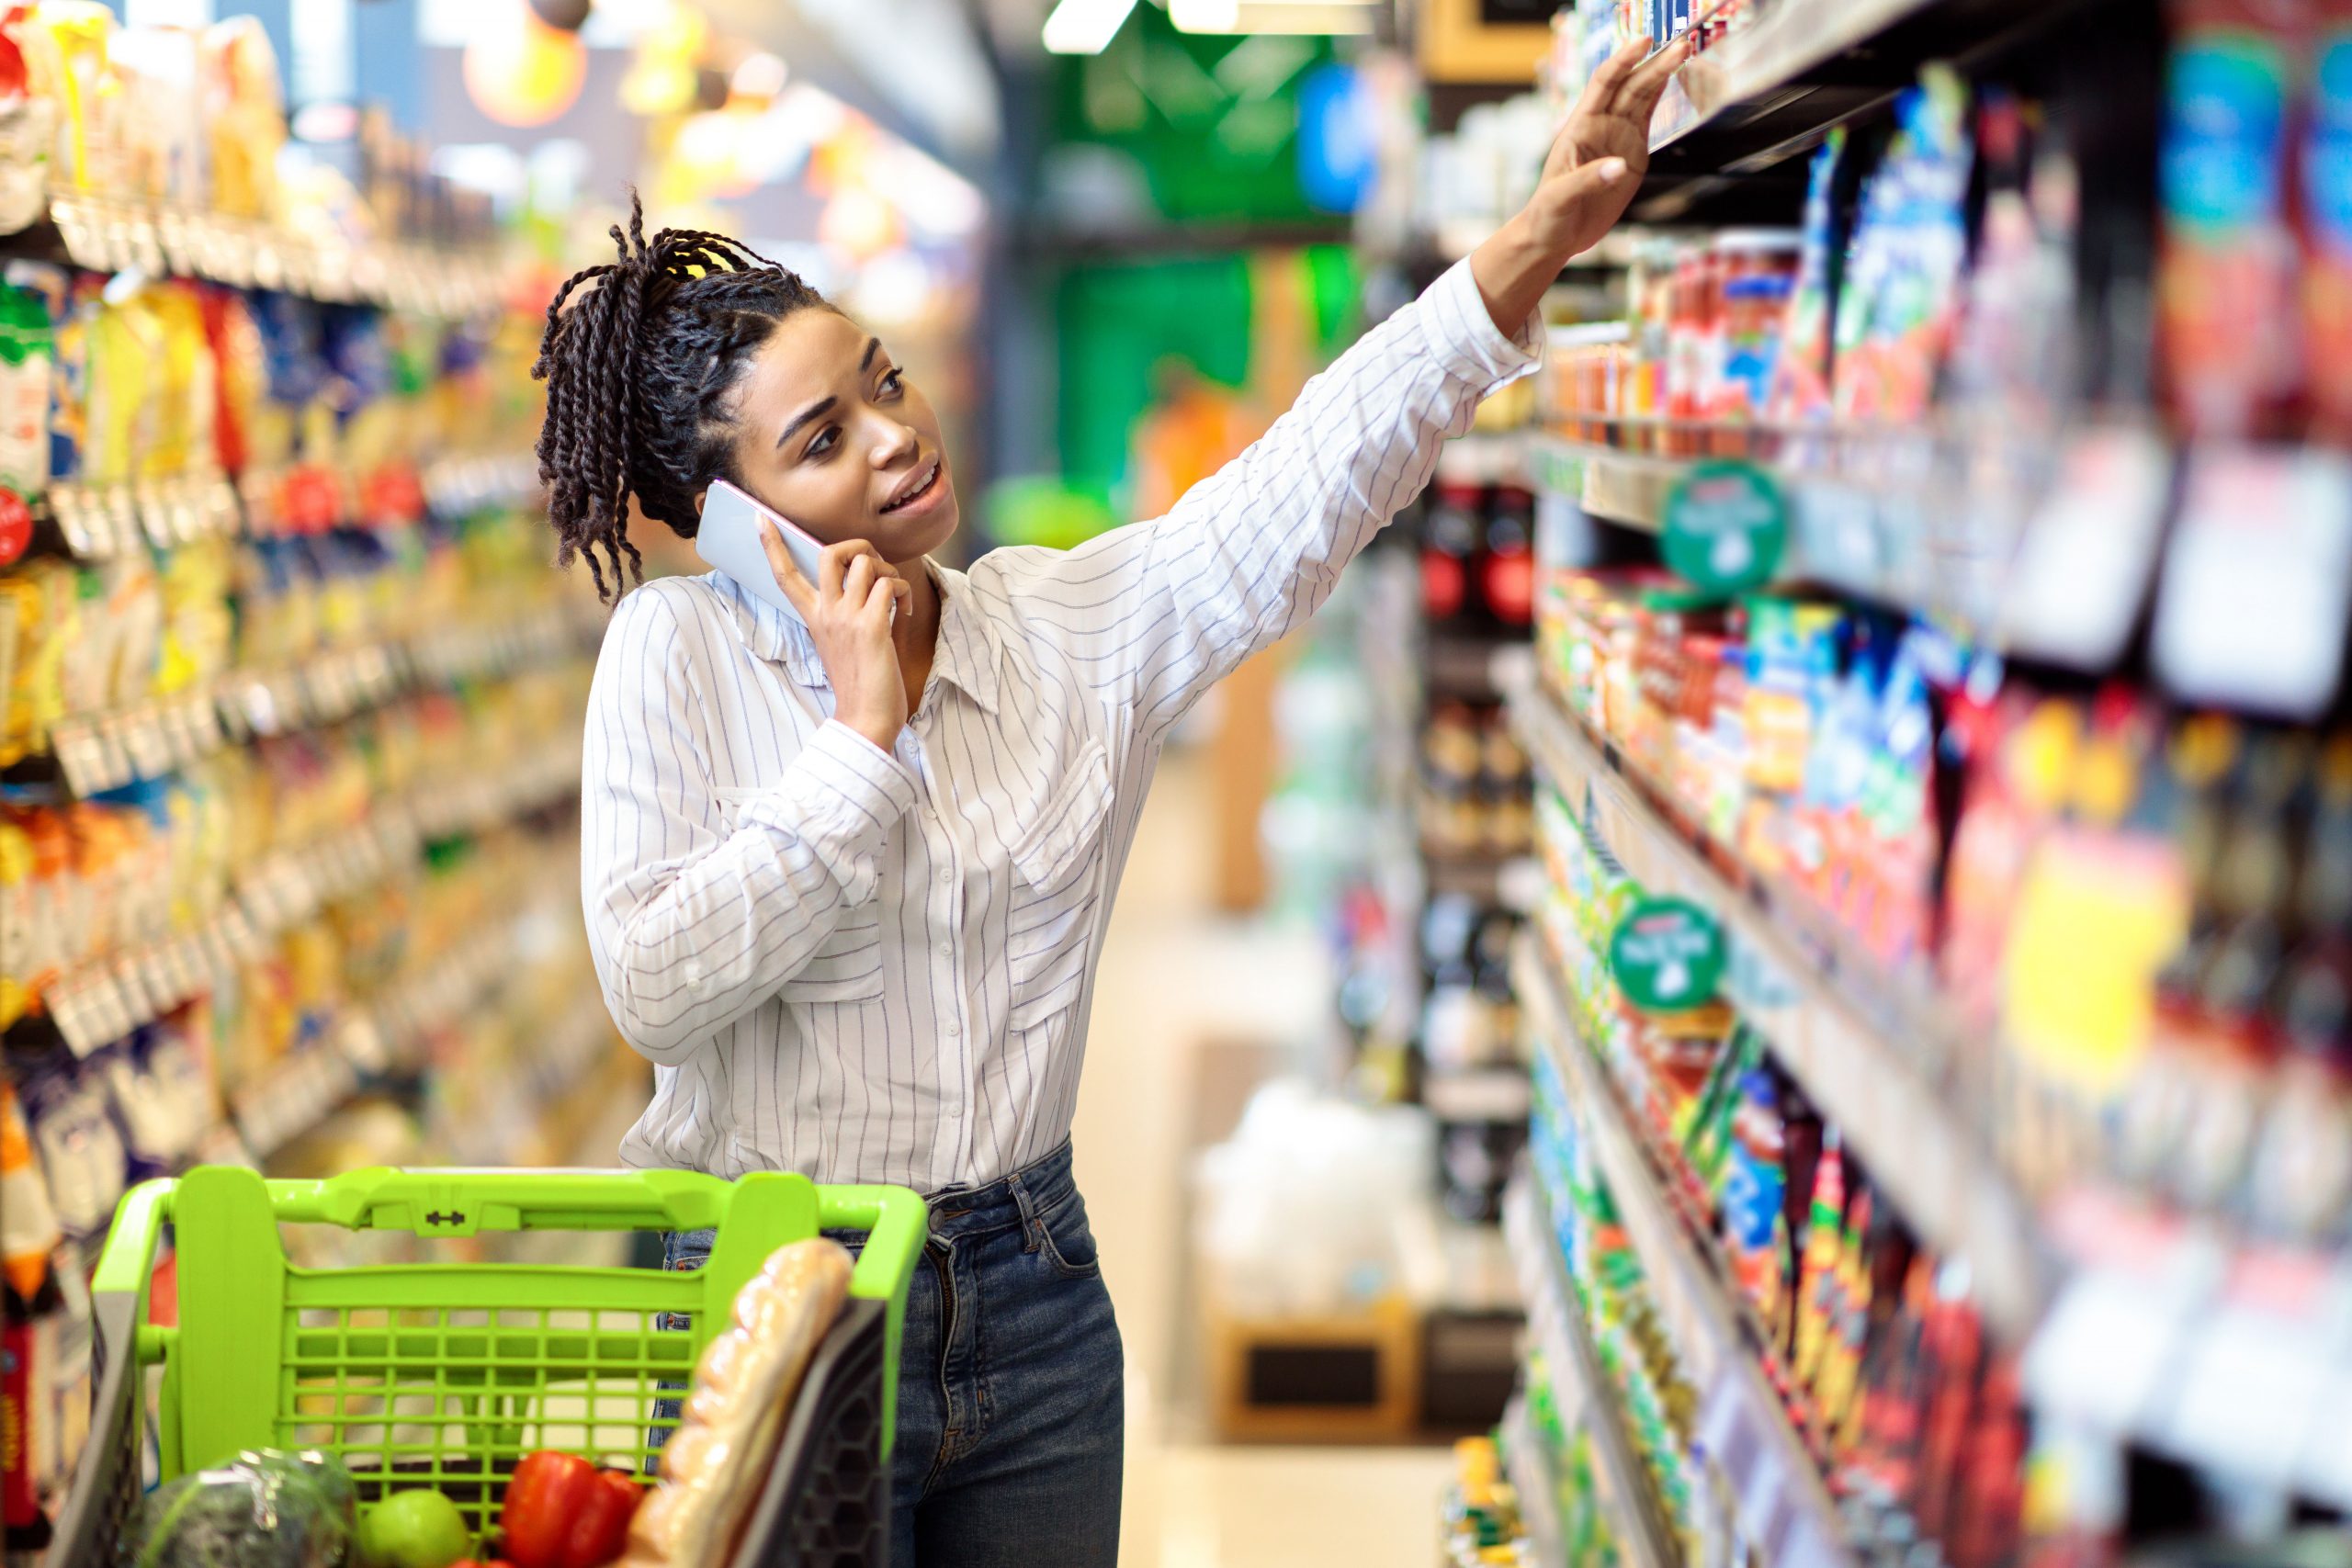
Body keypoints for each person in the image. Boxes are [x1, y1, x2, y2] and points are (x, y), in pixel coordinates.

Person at [533, 33, 1686, 1568]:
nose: (895, 435)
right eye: (822, 440)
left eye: (882, 381)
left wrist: (1528, 249)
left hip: (1034, 1300)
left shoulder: (1061, 626)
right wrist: (858, 756)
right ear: (727, 525)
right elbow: (655, 989)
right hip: (777, 1297)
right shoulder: (671, 652)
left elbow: (1304, 481)